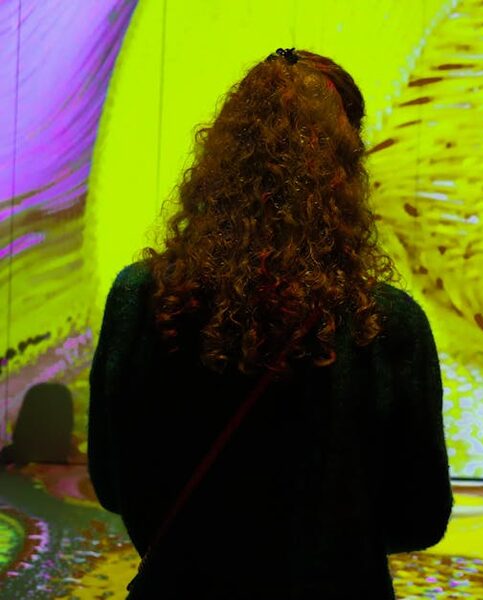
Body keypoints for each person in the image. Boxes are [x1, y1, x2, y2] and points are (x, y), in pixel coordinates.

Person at [88, 48, 452, 599]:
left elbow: (114, 486)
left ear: (221, 157)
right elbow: (418, 518)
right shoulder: (385, 326)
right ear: (344, 173)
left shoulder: (139, 301)